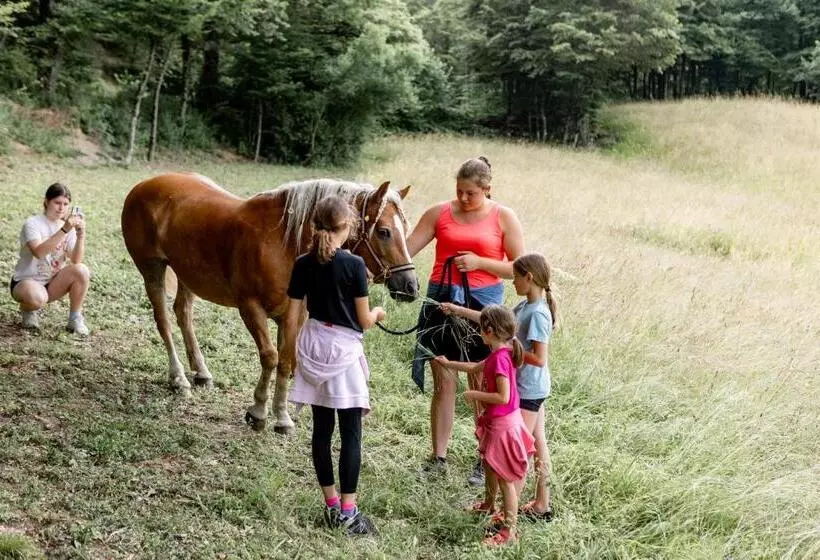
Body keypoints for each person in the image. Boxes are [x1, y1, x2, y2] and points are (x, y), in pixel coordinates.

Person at [406, 156, 524, 485]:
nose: (463, 198)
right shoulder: (438, 214)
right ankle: (438, 457)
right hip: (442, 300)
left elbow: (519, 269)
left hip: (483, 307)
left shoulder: (504, 217)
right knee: (443, 379)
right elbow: (407, 249)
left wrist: (479, 262)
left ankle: (484, 456)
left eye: (470, 193)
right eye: (459, 191)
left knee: (481, 383)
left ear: (487, 190)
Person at [284, 195, 386, 536]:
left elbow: (294, 313)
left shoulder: (302, 262)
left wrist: (290, 351)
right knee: (351, 434)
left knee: (322, 431)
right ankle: (348, 511)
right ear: (348, 227)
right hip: (342, 351)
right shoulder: (355, 265)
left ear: (315, 226)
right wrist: (378, 313)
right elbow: (364, 321)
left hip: (313, 344)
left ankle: (330, 505)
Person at [442, 253, 557, 521]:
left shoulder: (539, 313)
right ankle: (542, 504)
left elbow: (539, 358)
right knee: (538, 445)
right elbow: (494, 321)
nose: (512, 280)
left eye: (516, 277)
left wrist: (506, 351)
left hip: (529, 388)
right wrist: (458, 310)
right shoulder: (524, 305)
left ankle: (506, 518)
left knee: (513, 456)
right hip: (529, 386)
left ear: (529, 278)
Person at [435, 305, 535, 546]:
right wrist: (448, 363)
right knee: (490, 467)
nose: (479, 331)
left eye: (481, 327)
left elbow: (503, 396)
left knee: (505, 481)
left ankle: (509, 532)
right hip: (497, 423)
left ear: (488, 330)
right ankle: (489, 505)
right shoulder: (499, 352)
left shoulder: (500, 359)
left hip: (503, 426)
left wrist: (475, 394)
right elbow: (475, 367)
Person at [10, 182, 90, 335]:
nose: (61, 208)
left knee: (82, 270)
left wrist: (80, 235)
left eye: (66, 204)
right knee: (37, 298)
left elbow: (76, 260)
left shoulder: (67, 228)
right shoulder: (33, 223)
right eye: (57, 202)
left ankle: (75, 318)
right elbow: (39, 253)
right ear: (47, 201)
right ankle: (28, 310)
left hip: (52, 283)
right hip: (26, 282)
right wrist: (65, 229)